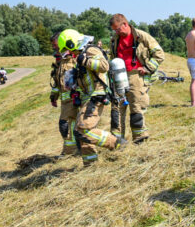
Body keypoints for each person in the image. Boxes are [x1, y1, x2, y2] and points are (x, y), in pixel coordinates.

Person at [57, 29, 126, 166]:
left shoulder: (90, 50)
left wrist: (85, 60)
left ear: (72, 44)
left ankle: (116, 143)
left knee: (83, 130)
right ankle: (90, 164)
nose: (69, 53)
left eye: (67, 48)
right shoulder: (79, 54)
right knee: (79, 131)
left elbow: (104, 66)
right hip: (87, 97)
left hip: (97, 95)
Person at [109, 14, 165, 144]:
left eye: (118, 29)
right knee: (117, 108)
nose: (116, 32)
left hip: (136, 76)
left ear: (125, 24)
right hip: (119, 76)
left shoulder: (141, 36)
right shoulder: (114, 39)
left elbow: (159, 54)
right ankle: (117, 141)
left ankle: (140, 140)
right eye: (114, 30)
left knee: (136, 107)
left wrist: (147, 68)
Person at [49, 32, 79, 156]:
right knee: (68, 125)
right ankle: (72, 150)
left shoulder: (74, 58)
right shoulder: (60, 60)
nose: (55, 49)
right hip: (66, 100)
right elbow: (58, 80)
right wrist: (54, 95)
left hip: (75, 98)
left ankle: (71, 151)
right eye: (54, 47)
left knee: (66, 124)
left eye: (56, 46)